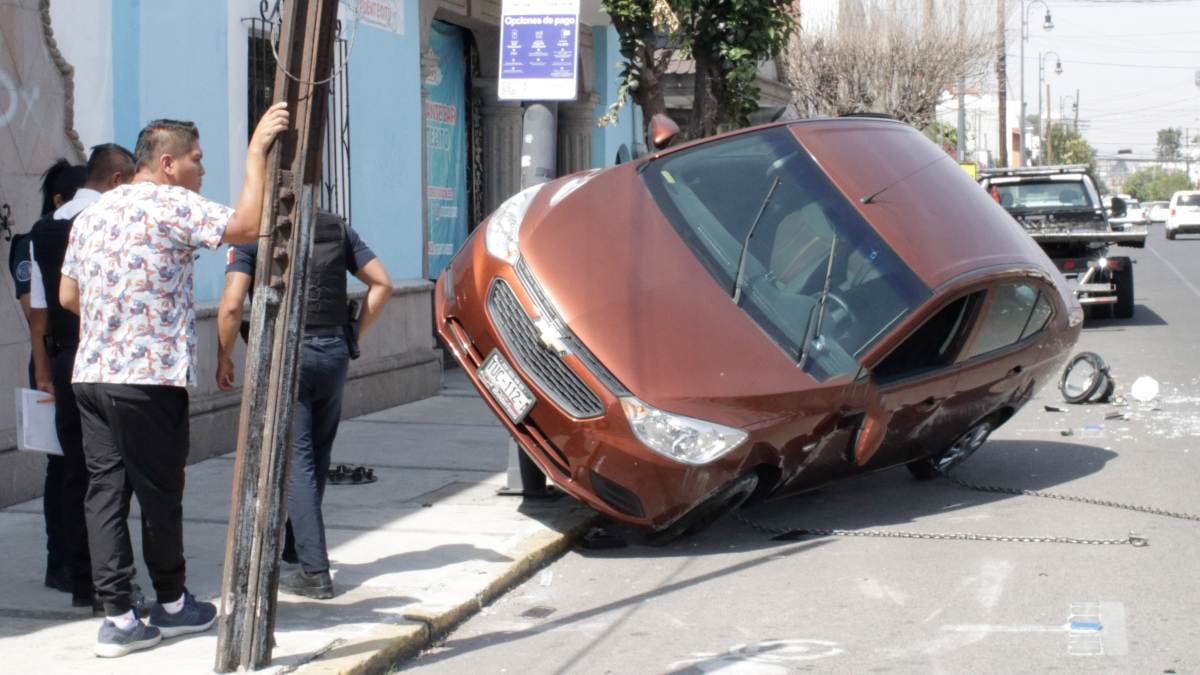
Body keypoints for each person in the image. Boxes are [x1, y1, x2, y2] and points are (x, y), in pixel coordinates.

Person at [58, 102, 289, 658]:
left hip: (92, 375)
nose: (202, 170)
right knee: (160, 493)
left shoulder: (92, 214)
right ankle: (171, 601)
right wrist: (256, 153)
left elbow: (67, 296)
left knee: (104, 493)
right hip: (149, 378)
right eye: (197, 160)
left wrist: (114, 321)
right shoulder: (170, 204)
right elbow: (249, 226)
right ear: (167, 164)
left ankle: (118, 617)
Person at [216, 209, 392, 599]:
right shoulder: (335, 227)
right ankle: (296, 550)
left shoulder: (253, 231)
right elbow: (382, 284)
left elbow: (231, 306)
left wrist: (223, 356)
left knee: (297, 463)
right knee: (317, 455)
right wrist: (352, 336)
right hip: (333, 352)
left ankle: (315, 571)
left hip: (287, 356)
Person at [28, 144, 136, 611]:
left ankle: (81, 578)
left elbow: (39, 312)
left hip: (64, 356)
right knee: (114, 474)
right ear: (116, 180)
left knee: (74, 470)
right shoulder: (112, 221)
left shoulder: (42, 230)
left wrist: (43, 368)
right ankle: (113, 579)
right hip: (109, 359)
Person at [6, 159, 86, 596]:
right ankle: (61, 561)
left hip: (76, 361)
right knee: (62, 467)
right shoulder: (32, 242)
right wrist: (43, 370)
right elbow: (34, 313)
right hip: (52, 361)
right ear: (59, 201)